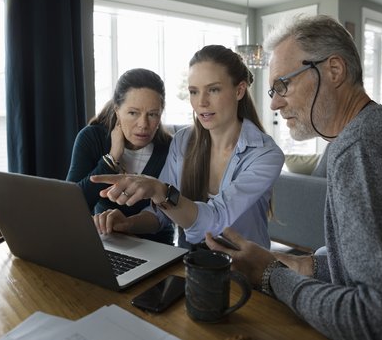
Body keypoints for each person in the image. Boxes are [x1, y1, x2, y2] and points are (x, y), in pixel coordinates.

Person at [205, 15, 382, 340]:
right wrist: (300, 264)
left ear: (334, 70)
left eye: (283, 84)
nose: (273, 103)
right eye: (272, 89)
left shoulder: (362, 149)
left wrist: (271, 275)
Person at [90, 44, 284, 249]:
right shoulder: (182, 141)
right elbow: (160, 214)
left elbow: (216, 220)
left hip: (246, 271)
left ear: (239, 90)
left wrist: (159, 190)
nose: (201, 102)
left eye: (213, 90)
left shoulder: (265, 155)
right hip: (188, 265)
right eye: (194, 91)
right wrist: (128, 224)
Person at [66, 68, 174, 244]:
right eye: (133, 113)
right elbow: (71, 207)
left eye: (153, 114)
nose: (143, 124)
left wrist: (128, 224)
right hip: (107, 241)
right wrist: (112, 158)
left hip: (157, 245)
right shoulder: (92, 138)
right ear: (117, 110)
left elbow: (167, 212)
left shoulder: (170, 148)